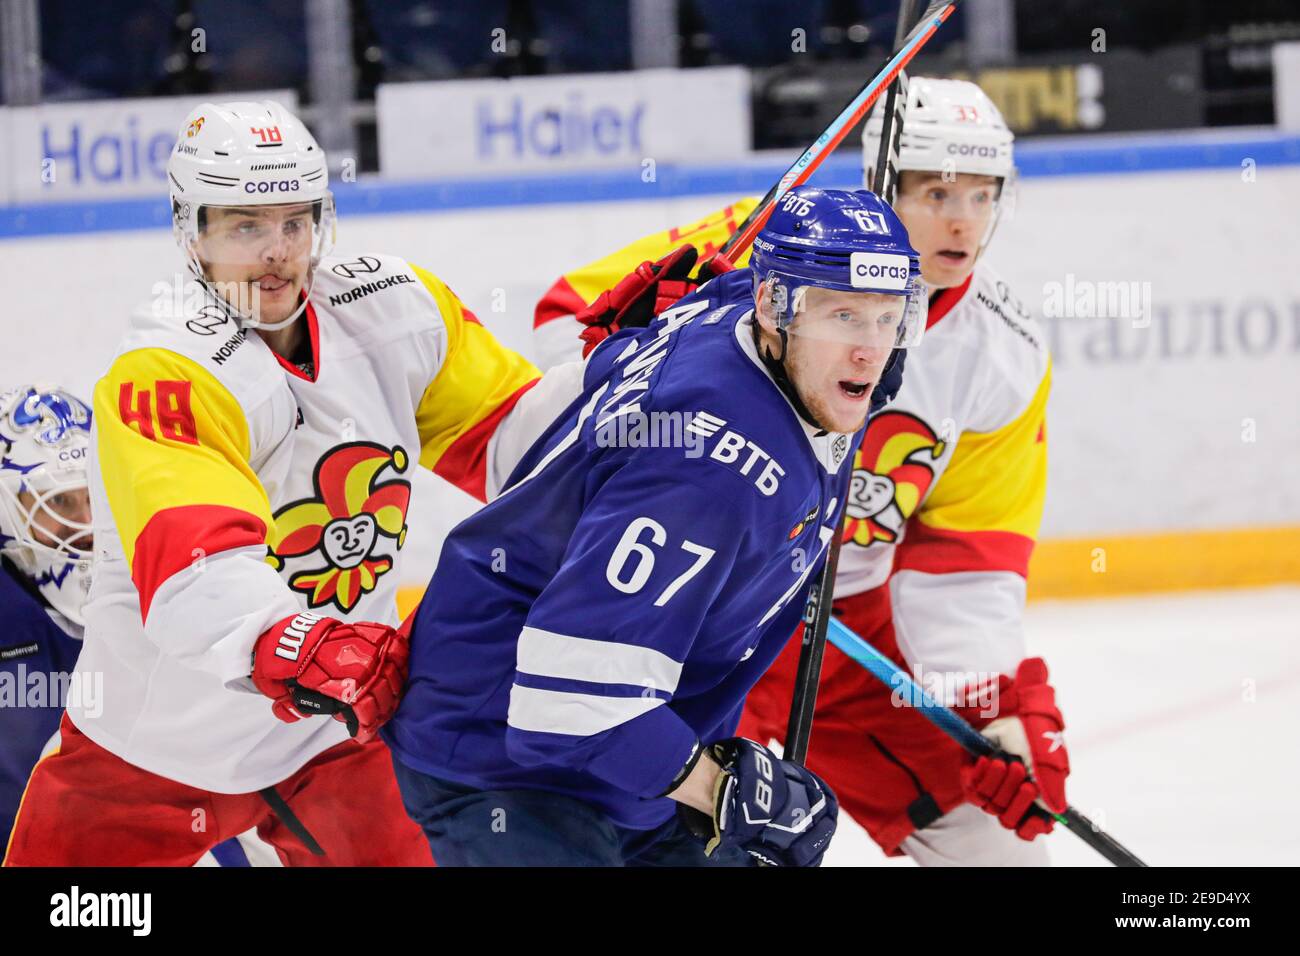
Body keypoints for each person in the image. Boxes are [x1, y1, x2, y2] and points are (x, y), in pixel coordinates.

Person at [533, 78, 1068, 865]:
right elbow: (559, 325)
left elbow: (965, 560)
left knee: (996, 849)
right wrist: (636, 347)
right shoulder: (772, 244)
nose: (963, 221)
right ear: (885, 181)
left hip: (852, 639)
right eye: (937, 191)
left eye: (984, 196)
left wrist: (992, 705)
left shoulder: (1005, 353)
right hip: (688, 609)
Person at [4, 100, 546, 866]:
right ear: (190, 231)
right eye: (245, 226)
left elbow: (527, 441)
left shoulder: (393, 313)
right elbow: (197, 571)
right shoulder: (164, 370)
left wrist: (628, 406)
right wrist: (302, 642)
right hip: (155, 743)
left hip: (331, 732)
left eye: (296, 222)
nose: (278, 253)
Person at [384, 185, 924, 866]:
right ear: (771, 307)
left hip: (633, 742)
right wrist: (726, 791)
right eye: (843, 316)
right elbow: (567, 702)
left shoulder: (726, 309)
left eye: (888, 319)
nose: (869, 353)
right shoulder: (706, 474)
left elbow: (681, 326)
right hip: (507, 752)